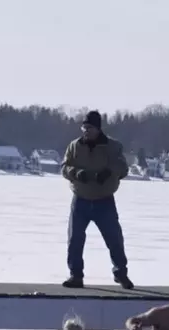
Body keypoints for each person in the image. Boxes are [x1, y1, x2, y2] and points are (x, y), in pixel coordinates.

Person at [60, 110, 133, 290]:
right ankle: (75, 275)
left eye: (90, 128)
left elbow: (123, 168)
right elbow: (64, 168)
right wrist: (77, 173)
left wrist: (109, 172)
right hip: (80, 200)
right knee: (75, 239)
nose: (86, 131)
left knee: (114, 239)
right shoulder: (74, 146)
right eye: (84, 127)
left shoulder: (113, 146)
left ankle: (121, 274)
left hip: (104, 201)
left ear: (98, 129)